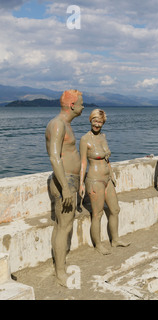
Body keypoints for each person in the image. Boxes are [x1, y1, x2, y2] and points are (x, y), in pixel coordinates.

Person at [45, 89, 84, 287]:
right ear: (72, 105)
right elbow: (54, 157)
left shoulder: (66, 124)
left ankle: (60, 265)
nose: (83, 106)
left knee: (65, 224)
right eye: (81, 103)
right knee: (63, 226)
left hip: (71, 180)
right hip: (64, 182)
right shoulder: (58, 124)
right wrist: (66, 188)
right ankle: (59, 272)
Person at [79, 109, 130, 255]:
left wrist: (112, 173)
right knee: (97, 214)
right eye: (95, 121)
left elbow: (107, 159)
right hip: (95, 180)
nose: (97, 124)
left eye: (100, 122)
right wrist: (81, 183)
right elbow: (83, 162)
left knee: (115, 209)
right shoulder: (85, 139)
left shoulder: (103, 136)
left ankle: (115, 240)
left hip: (107, 179)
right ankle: (98, 245)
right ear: (90, 120)